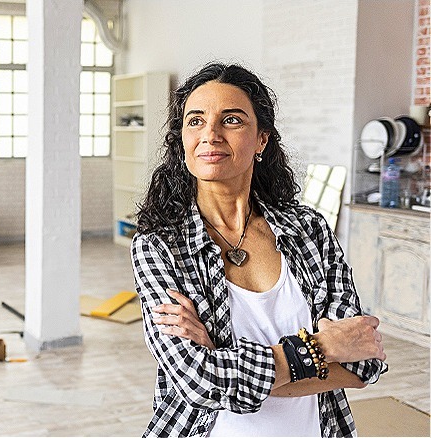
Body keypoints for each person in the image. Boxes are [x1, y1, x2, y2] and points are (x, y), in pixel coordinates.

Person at [131, 62, 388, 438]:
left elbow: (363, 362)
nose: (211, 134)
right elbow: (197, 382)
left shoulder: (308, 230)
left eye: (231, 120)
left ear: (262, 139)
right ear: (182, 139)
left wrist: (225, 361)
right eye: (196, 121)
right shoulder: (159, 246)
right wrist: (321, 347)